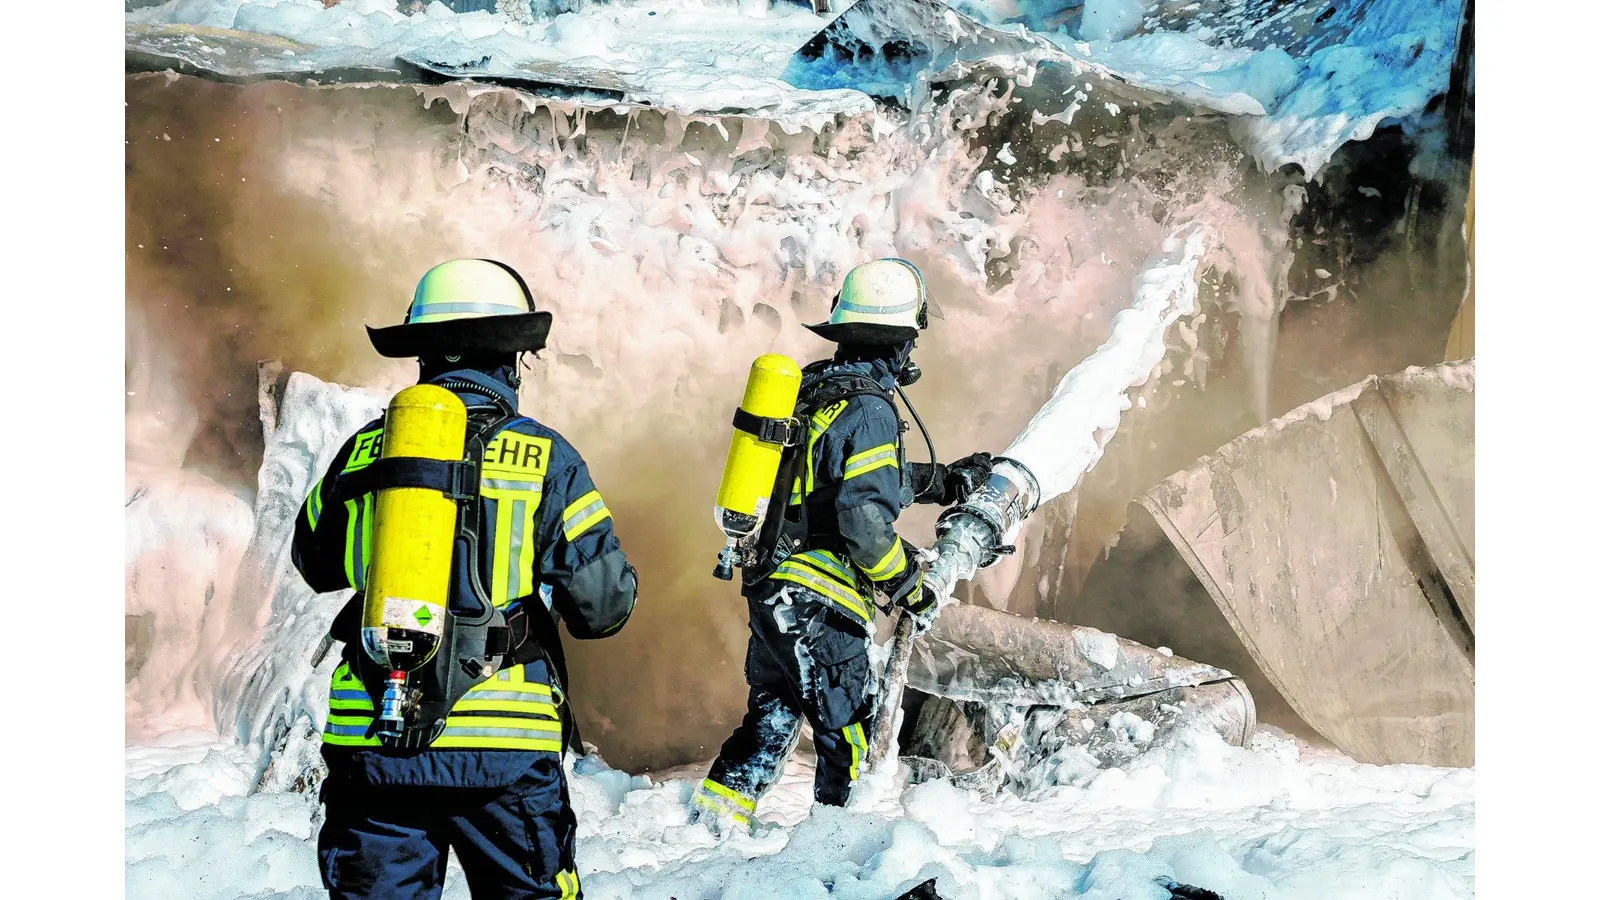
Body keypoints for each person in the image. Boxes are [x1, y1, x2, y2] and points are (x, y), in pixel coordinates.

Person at [291, 258, 638, 900]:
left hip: (374, 741)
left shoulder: (365, 451)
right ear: (509, 360)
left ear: (423, 356)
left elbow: (313, 562)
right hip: (504, 748)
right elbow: (602, 606)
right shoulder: (546, 457)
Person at [689, 258, 993, 833]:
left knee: (772, 719)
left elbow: (838, 482)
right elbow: (862, 522)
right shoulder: (872, 410)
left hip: (773, 589)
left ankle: (711, 830)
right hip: (819, 601)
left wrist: (944, 482)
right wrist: (908, 586)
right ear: (900, 340)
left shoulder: (815, 391)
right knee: (849, 733)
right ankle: (833, 853)